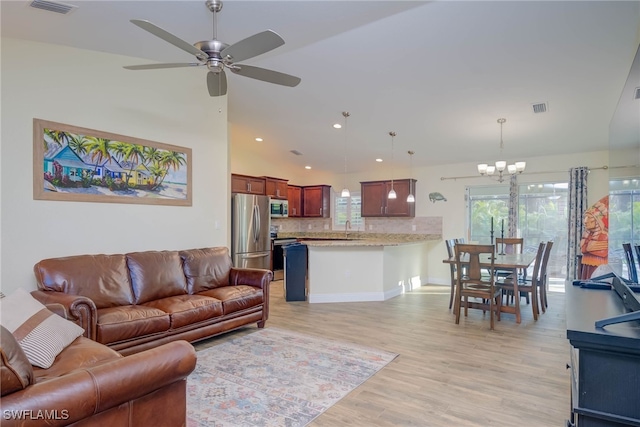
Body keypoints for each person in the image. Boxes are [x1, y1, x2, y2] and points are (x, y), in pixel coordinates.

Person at [579, 198, 609, 279]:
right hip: (588, 264)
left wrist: (589, 248)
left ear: (597, 221)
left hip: (598, 266)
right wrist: (588, 248)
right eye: (585, 217)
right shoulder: (589, 234)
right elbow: (583, 249)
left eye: (589, 218)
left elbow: (602, 252)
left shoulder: (603, 235)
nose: (585, 221)